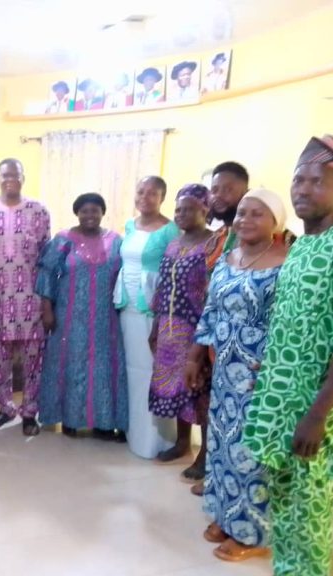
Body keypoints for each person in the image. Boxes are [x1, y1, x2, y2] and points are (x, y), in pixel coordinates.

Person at [244, 135, 333, 576]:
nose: (303, 189)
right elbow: (298, 323)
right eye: (298, 180)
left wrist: (317, 415)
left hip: (313, 408)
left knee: (310, 512)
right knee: (284, 506)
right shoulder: (299, 247)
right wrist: (272, 366)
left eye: (317, 181)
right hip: (280, 398)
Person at [186, 189, 289, 562]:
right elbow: (211, 311)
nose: (245, 219)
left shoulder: (286, 263)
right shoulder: (228, 259)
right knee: (222, 443)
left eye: (257, 213)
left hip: (260, 371)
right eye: (242, 212)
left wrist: (277, 363)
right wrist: (195, 356)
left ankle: (252, 533)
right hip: (224, 368)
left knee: (250, 450)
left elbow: (290, 321)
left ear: (276, 221)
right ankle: (226, 515)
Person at [37, 193, 127, 439]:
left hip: (105, 318)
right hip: (69, 316)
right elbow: (46, 273)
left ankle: (103, 422)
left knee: (102, 368)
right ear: (77, 213)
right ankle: (70, 419)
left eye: (95, 210)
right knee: (70, 364)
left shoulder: (115, 241)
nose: (90, 215)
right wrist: (47, 309)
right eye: (84, 211)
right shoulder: (63, 239)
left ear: (102, 212)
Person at [148, 184, 222, 479]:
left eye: (189, 209)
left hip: (197, 329)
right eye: (178, 209)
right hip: (169, 329)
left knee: (199, 390)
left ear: (205, 209)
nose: (181, 214)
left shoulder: (214, 243)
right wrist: (156, 326)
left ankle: (204, 454)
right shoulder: (173, 244)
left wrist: (206, 335)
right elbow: (162, 286)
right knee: (178, 388)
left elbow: (214, 291)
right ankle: (181, 443)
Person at [0, 159, 51, 436]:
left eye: (16, 175)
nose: (11, 179)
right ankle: (5, 408)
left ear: (23, 177)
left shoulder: (39, 211)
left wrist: (46, 301)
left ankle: (30, 411)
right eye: (5, 175)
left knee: (34, 359)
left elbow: (46, 258)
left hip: (31, 300)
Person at [113, 176, 179, 458]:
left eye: (152, 193)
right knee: (130, 370)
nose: (145, 197)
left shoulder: (170, 230)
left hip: (152, 310)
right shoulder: (130, 225)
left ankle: (154, 440)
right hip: (126, 306)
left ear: (162, 197)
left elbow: (173, 272)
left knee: (152, 372)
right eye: (141, 191)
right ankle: (131, 431)